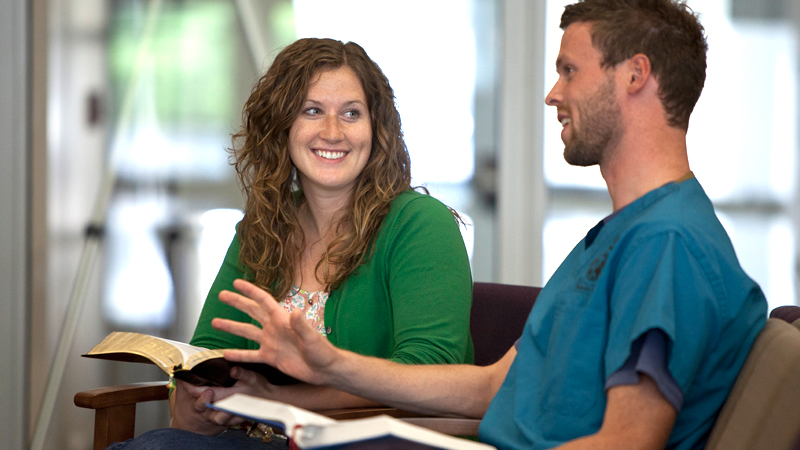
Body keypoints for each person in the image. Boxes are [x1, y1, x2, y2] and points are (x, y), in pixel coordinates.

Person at [213, 1, 768, 449]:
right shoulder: (618, 236)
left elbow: (625, 442)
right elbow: (494, 386)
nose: (553, 93)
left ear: (634, 75)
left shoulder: (668, 243)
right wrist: (331, 367)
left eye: (569, 71)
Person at [107, 38, 473, 449]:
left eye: (351, 113)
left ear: (377, 128)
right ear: (282, 125)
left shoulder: (420, 224)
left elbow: (430, 371)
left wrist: (281, 400)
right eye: (312, 111)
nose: (332, 132)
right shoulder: (261, 229)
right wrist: (198, 404)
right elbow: (209, 352)